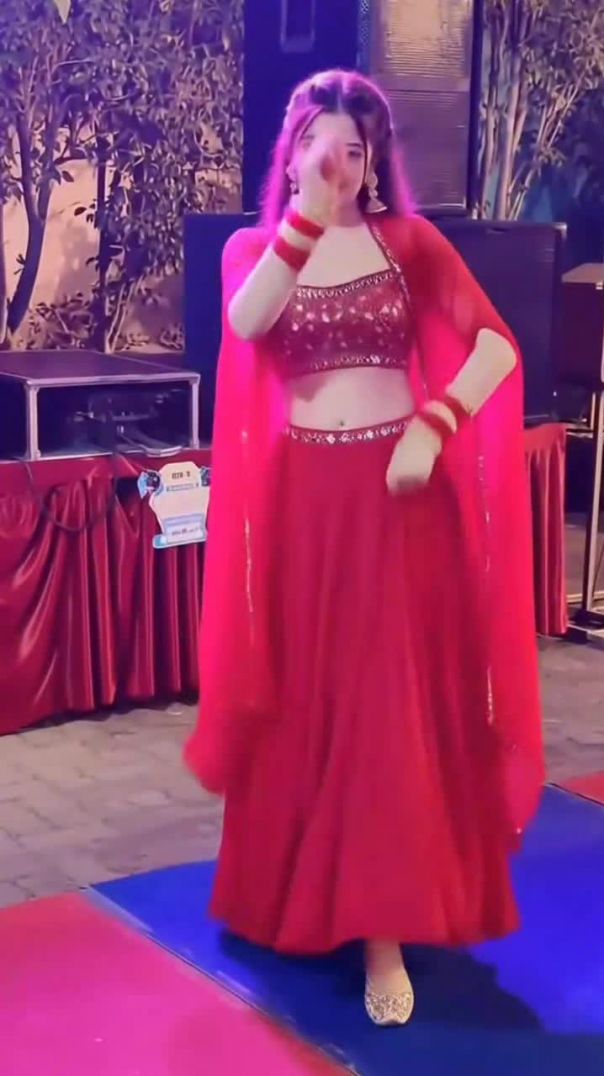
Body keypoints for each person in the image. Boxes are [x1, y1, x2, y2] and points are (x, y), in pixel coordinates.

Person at [186, 70, 543, 1027]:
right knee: (315, 695)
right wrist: (307, 217)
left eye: (357, 150)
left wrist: (435, 421)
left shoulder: (409, 244)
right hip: (308, 508)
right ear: (293, 151)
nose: (341, 165)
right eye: (323, 146)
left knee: (388, 705)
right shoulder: (255, 250)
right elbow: (246, 324)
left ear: (376, 160)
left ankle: (385, 929)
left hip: (401, 501)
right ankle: (300, 892)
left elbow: (496, 347)